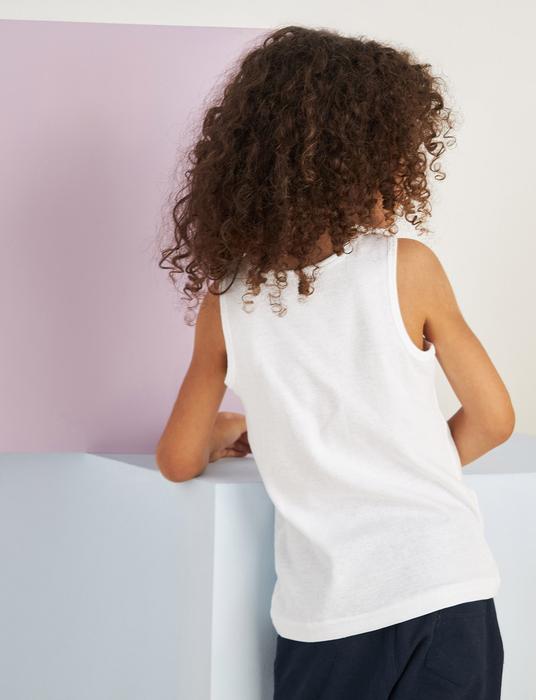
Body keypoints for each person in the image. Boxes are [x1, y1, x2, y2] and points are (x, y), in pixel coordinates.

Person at [156, 24, 514, 700]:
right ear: (368, 161)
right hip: (444, 586)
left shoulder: (227, 303)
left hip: (327, 618)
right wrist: (400, 465)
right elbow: (494, 418)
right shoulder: (408, 269)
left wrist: (223, 431)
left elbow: (177, 459)